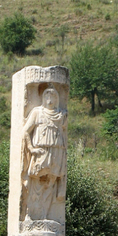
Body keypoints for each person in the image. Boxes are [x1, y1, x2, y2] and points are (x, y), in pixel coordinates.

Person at [22, 85, 67, 221]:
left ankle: (44, 216)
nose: (50, 98)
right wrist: (31, 148)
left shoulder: (61, 114)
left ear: (57, 98)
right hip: (41, 151)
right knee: (36, 182)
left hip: (56, 151)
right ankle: (31, 215)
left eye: (53, 95)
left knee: (51, 183)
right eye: (47, 95)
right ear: (43, 97)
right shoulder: (37, 112)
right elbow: (25, 131)